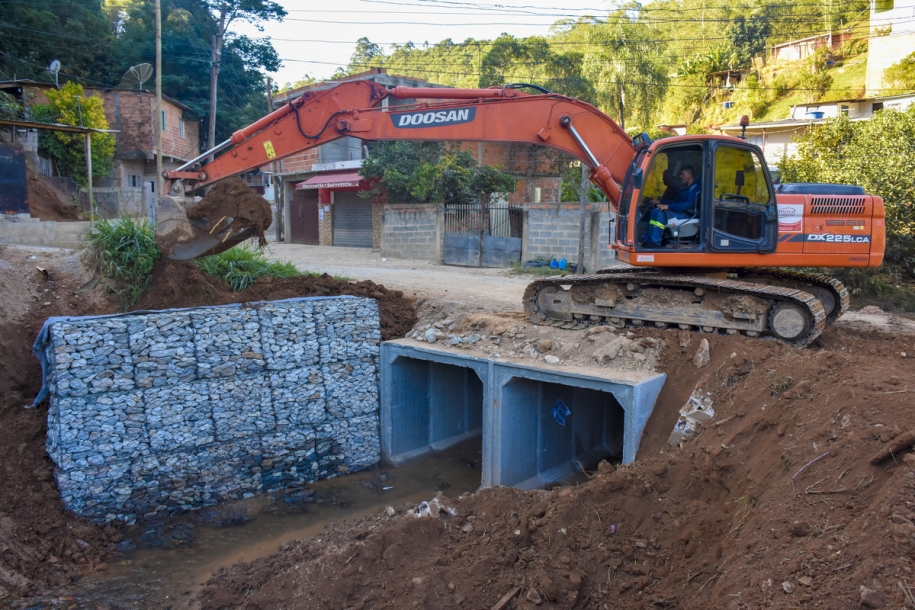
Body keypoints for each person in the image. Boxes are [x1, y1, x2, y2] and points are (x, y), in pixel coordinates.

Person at [644, 165, 701, 248]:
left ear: (689, 175)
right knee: (655, 211)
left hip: (687, 213)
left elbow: (687, 205)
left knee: (661, 214)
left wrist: (667, 207)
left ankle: (655, 242)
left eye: (683, 174)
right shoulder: (687, 189)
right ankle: (649, 240)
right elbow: (676, 201)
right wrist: (660, 202)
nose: (681, 176)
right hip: (681, 211)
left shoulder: (695, 188)